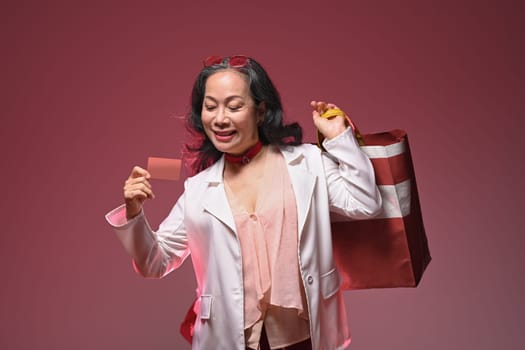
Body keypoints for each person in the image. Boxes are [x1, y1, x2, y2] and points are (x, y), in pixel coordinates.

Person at [105, 55, 382, 350]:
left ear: (261, 111)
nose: (220, 118)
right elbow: (154, 262)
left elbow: (365, 201)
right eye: (210, 107)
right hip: (228, 340)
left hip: (306, 337)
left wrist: (340, 138)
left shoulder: (308, 163)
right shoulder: (198, 190)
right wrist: (134, 212)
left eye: (234, 106)